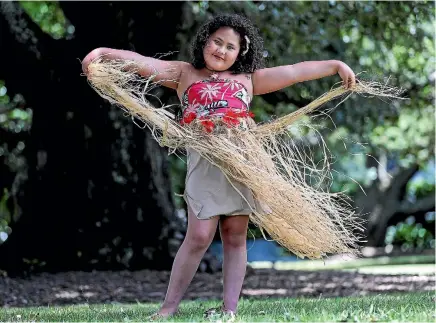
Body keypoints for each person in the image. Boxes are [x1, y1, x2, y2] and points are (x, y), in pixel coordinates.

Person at [82, 13, 356, 320]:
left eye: (230, 47)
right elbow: (143, 62)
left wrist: (335, 66)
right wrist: (103, 54)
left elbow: (294, 71)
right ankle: (168, 308)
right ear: (204, 41)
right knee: (198, 236)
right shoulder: (183, 73)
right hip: (205, 163)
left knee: (234, 235)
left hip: (242, 165)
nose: (222, 51)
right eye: (217, 42)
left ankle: (229, 310)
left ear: (241, 53)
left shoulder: (248, 79)